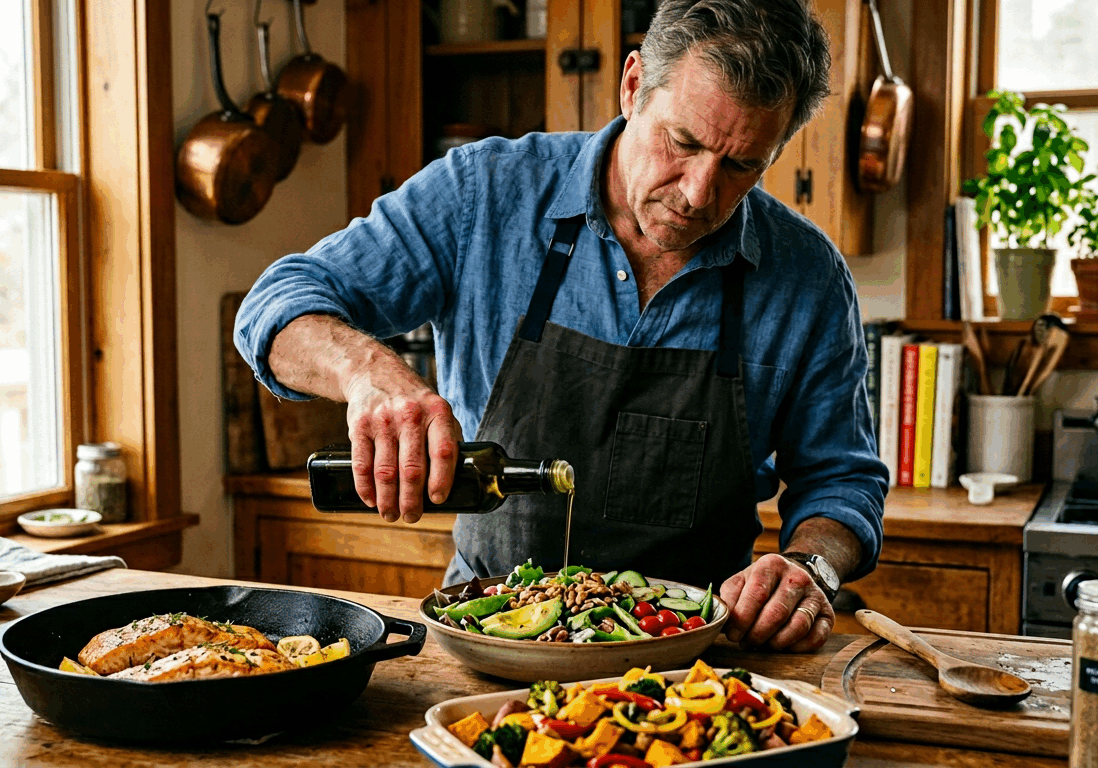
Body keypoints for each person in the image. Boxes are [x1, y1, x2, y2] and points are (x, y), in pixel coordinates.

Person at [235, 0, 888, 653]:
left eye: (743, 165)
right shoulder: (484, 194)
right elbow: (274, 306)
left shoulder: (807, 276)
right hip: (489, 638)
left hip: (697, 659)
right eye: (682, 142)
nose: (697, 192)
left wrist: (810, 568)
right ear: (632, 86)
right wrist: (367, 374)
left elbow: (843, 481)